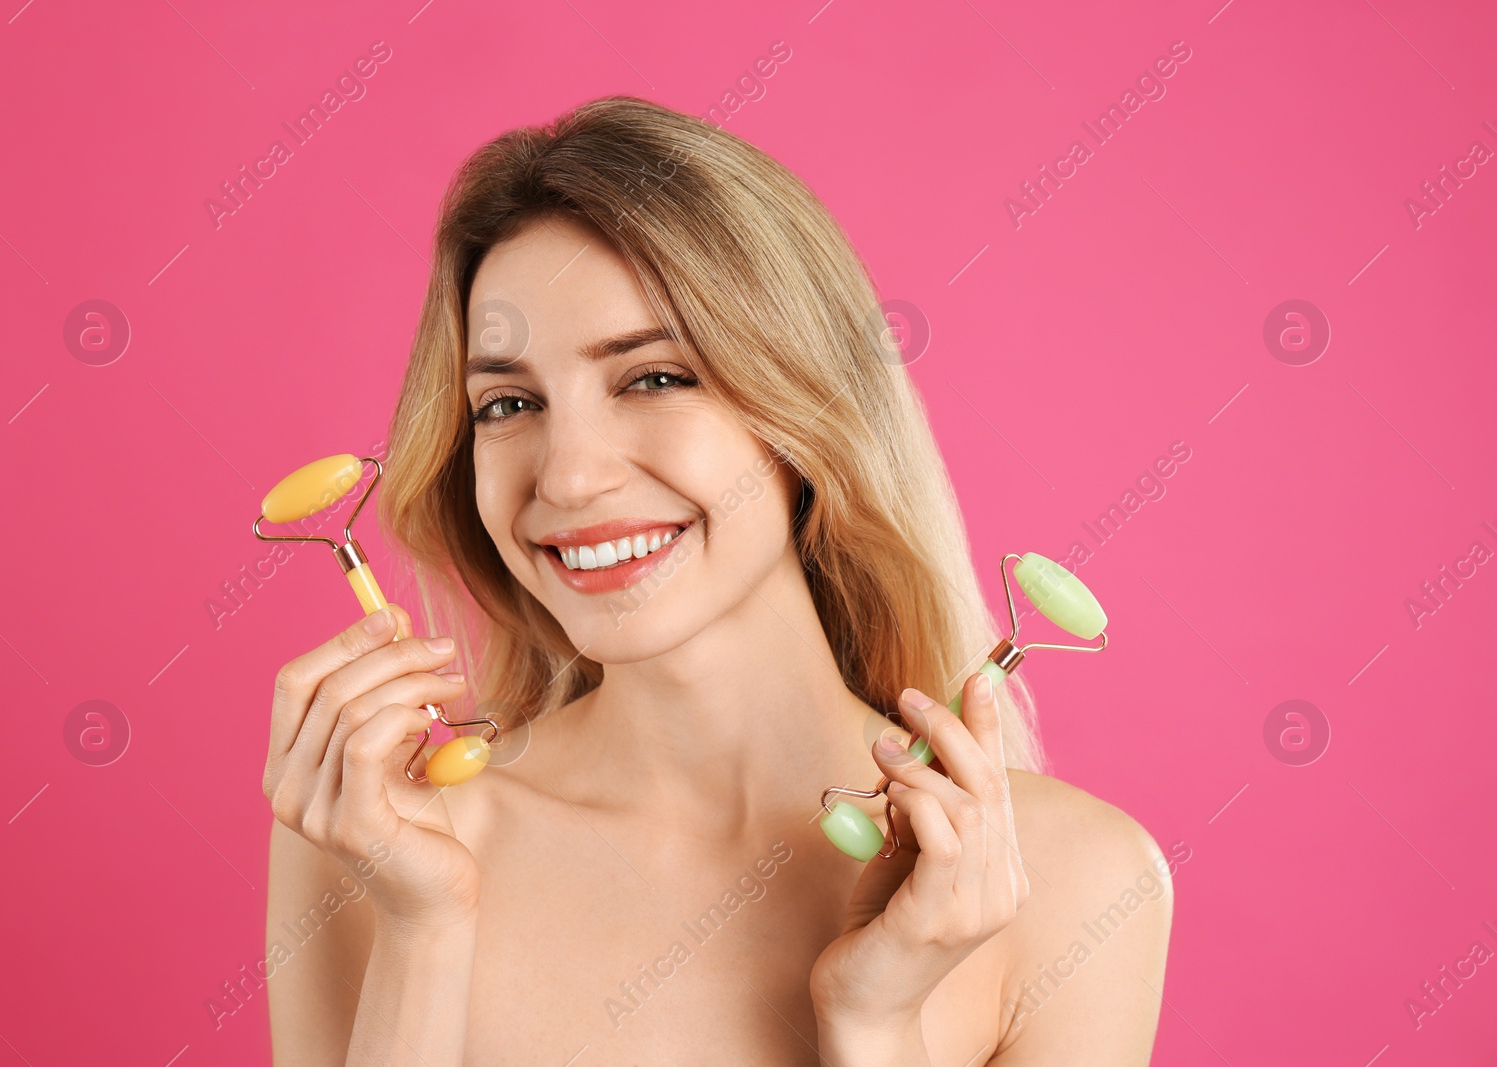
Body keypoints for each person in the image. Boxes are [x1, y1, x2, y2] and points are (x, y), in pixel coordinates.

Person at [262, 95, 1170, 1065]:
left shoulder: (1076, 883)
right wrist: (424, 935)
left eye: (652, 378)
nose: (567, 475)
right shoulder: (379, 840)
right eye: (509, 402)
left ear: (805, 415)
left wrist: (874, 1022)